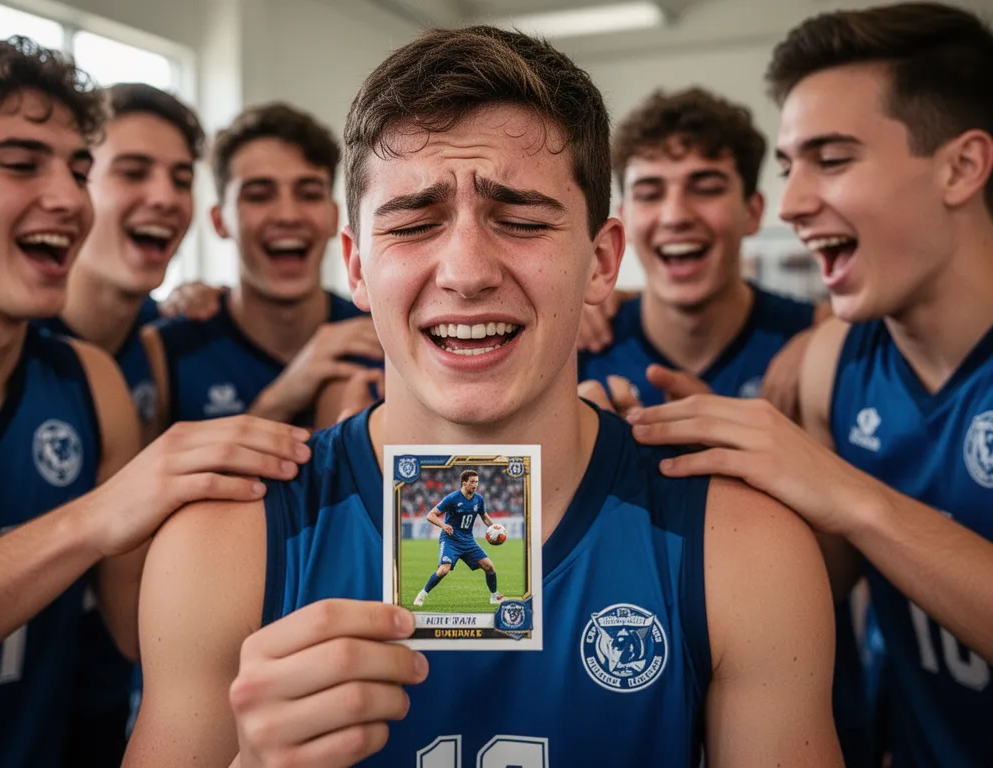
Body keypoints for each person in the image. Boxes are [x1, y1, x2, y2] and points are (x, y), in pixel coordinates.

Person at [124, 25, 840, 768]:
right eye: (413, 223)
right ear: (356, 268)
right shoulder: (221, 542)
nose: (466, 270)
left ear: (601, 263)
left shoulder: (743, 547)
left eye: (523, 220)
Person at [627, 4, 993, 766]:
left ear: (961, 167)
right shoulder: (830, 362)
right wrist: (708, 484)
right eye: (791, 166)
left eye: (832, 159)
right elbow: (820, 586)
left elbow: (857, 514)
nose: (790, 205)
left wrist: (849, 495)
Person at [0, 35, 310, 767]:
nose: (67, 195)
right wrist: (99, 513)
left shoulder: (91, 382)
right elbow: (106, 520)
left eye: (78, 168)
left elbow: (142, 630)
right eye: (22, 164)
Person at [30, 82, 205, 766]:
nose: (164, 195)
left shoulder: (160, 341)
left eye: (181, 178)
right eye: (133, 172)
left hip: (101, 712)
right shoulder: (22, 344)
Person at [578, 87, 825, 419]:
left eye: (706, 189)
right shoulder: (579, 346)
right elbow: (486, 469)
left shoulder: (819, 345)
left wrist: (834, 336)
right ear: (626, 221)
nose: (675, 216)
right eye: (650, 194)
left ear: (752, 212)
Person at [142, 103, 382, 432]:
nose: (287, 214)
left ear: (332, 216)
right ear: (219, 220)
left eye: (309, 194)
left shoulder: (379, 335)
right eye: (258, 195)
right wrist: (279, 399)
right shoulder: (169, 347)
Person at [413, 470, 503, 607]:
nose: (475, 485)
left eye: (477, 482)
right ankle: (422, 594)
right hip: (450, 540)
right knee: (444, 570)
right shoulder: (452, 498)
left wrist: (494, 527)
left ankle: (494, 596)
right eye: (472, 482)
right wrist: (443, 525)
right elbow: (430, 515)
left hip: (468, 540)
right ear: (464, 482)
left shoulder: (478, 499)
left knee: (489, 566)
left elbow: (483, 516)